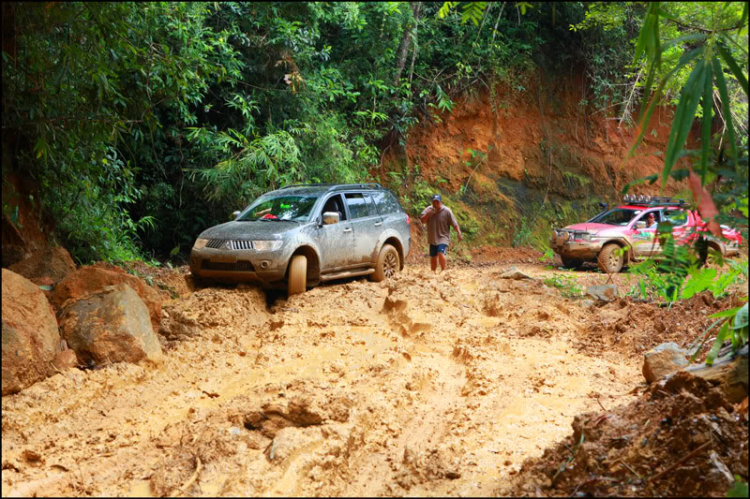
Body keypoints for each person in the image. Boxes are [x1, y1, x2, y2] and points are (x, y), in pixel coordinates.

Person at [420, 194, 462, 272]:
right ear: (432, 202)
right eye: (434, 202)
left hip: (443, 237)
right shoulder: (428, 210)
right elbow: (423, 221)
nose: (435, 204)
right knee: (433, 257)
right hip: (432, 238)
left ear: (440, 202)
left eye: (437, 202)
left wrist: (459, 233)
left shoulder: (447, 211)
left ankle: (443, 271)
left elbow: (454, 224)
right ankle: (433, 272)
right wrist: (429, 213)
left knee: (440, 252)